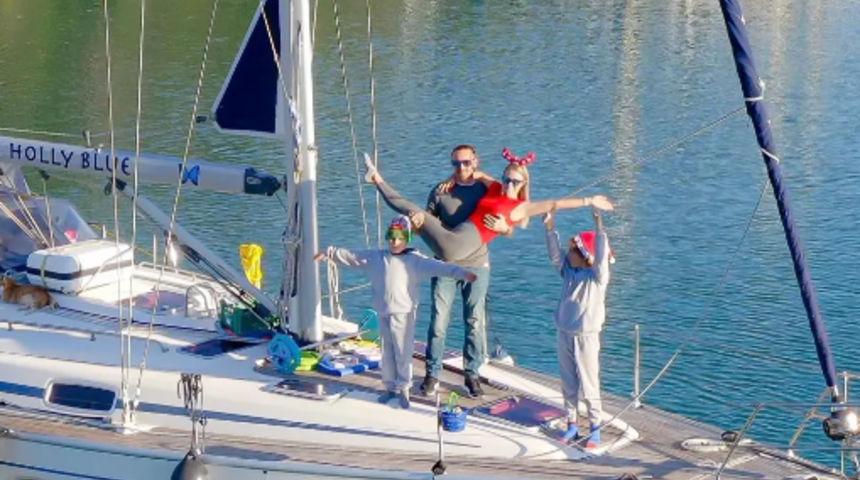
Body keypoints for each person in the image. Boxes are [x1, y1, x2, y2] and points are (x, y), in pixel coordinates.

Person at [314, 215, 477, 409]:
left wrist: (461, 273)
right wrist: (330, 253)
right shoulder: (376, 257)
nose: (394, 241)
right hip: (383, 311)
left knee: (403, 351)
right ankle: (389, 387)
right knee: (387, 351)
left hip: (403, 314)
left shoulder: (415, 260)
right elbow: (352, 257)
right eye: (391, 237)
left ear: (407, 238)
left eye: (399, 237)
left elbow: (440, 267)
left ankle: (404, 389)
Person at [363, 148, 615, 264]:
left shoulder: (520, 208)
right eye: (506, 177)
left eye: (515, 181)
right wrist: (451, 179)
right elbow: (475, 173)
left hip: (459, 246)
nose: (508, 183)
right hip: (452, 237)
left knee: (411, 210)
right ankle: (379, 185)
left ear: (523, 182)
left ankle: (377, 180)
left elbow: (555, 203)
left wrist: (589, 200)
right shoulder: (493, 186)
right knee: (415, 212)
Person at [418, 145, 499, 398]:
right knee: (439, 322)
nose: (461, 168)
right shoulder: (439, 192)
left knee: (474, 322)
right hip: (444, 265)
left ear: (476, 162)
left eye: (466, 163)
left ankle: (471, 375)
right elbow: (427, 226)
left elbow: (509, 195)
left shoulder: (485, 189)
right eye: (456, 164)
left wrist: (504, 224)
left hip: (477, 265)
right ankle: (432, 374)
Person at [544, 206, 614, 449]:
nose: (568, 252)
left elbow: (602, 259)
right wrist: (550, 227)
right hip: (564, 332)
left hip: (586, 336)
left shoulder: (596, 278)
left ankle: (595, 428)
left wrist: (599, 225)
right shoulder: (568, 272)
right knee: (568, 382)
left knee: (589, 382)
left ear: (585, 254)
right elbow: (554, 255)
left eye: (573, 249)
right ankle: (572, 424)